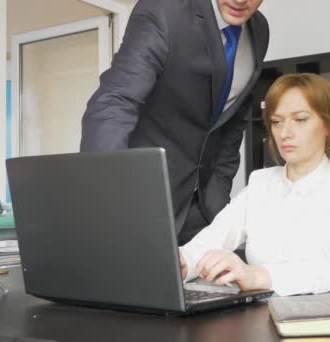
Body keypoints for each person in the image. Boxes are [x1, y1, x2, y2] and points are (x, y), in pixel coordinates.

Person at [80, 0, 269, 245]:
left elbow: (232, 123)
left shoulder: (259, 30)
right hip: (140, 207)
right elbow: (114, 103)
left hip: (202, 216)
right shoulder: (164, 10)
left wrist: (218, 192)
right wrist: (103, 206)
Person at [179, 73, 330, 296]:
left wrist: (258, 276)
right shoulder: (260, 183)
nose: (285, 133)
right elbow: (214, 237)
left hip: (326, 318)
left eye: (300, 120)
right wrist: (182, 262)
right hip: (260, 316)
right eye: (277, 122)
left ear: (329, 126)